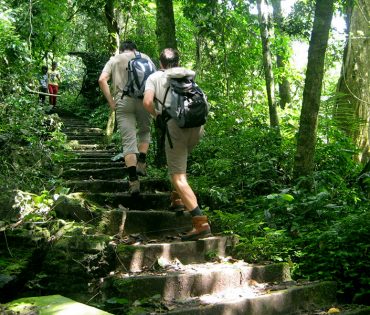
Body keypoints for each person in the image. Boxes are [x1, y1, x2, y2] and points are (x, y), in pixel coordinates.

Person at [143, 48, 212, 241]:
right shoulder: (186, 76)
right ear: (178, 61)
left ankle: (200, 222)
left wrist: (156, 114)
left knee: (178, 177)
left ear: (161, 63)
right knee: (180, 165)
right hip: (197, 126)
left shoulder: (155, 77)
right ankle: (177, 199)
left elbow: (147, 101)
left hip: (176, 127)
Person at [98, 40, 154, 195]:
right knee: (144, 130)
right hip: (144, 100)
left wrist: (111, 101)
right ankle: (141, 161)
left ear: (122, 50)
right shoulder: (146, 57)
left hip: (123, 101)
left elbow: (102, 79)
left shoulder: (115, 59)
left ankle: (133, 180)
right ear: (135, 49)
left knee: (128, 140)